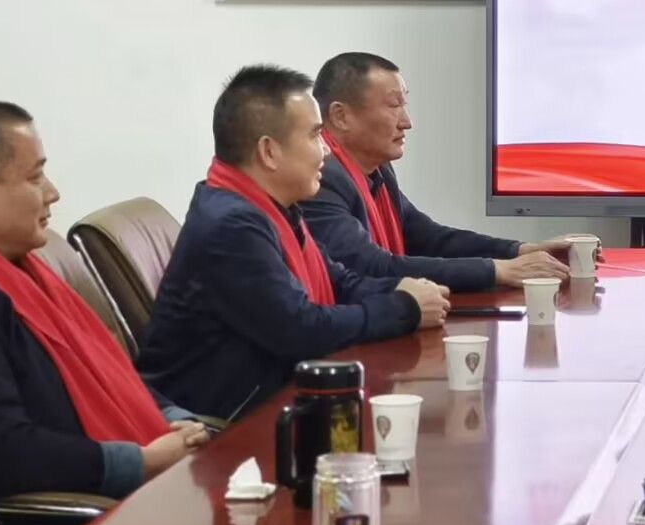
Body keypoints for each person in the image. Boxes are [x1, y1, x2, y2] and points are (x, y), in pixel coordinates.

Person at [142, 66, 450, 420]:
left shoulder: (269, 206)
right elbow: (301, 330)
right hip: (216, 426)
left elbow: (340, 281)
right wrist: (404, 308)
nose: (327, 151)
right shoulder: (230, 226)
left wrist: (408, 290)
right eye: (315, 135)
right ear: (269, 152)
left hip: (274, 397)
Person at [0, 101, 209, 502]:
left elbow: (111, 374)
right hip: (77, 517)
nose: (53, 193)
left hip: (137, 479)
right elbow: (7, 452)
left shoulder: (31, 271)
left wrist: (173, 419)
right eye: (35, 177)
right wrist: (140, 462)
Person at [301, 52, 571, 291]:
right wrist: (497, 270)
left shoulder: (378, 170)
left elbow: (429, 237)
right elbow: (370, 266)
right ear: (341, 116)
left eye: (404, 106)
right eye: (394, 106)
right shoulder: (321, 177)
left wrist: (520, 251)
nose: (407, 122)